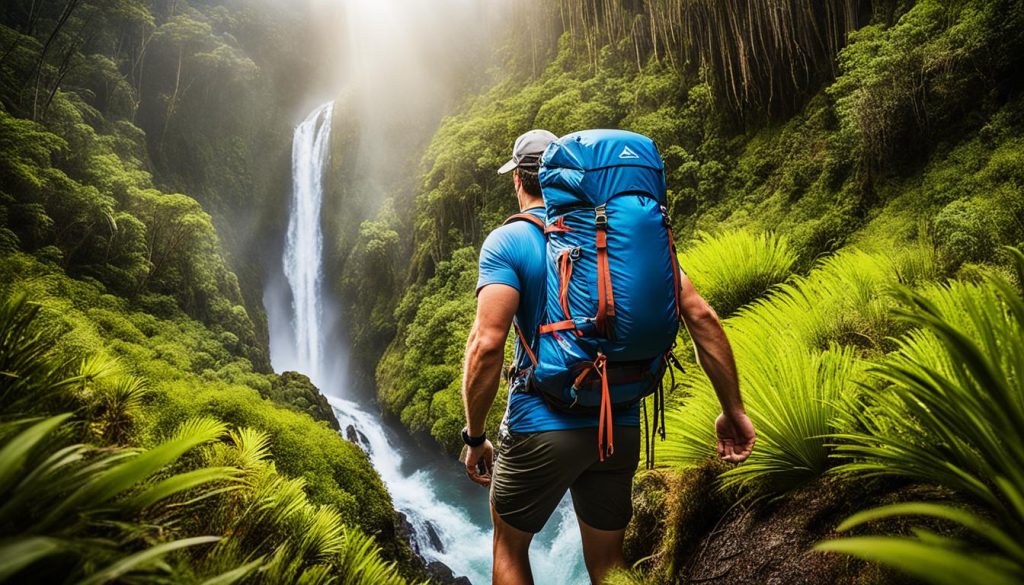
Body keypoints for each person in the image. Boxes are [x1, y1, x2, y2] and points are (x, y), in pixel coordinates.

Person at [460, 129, 756, 585]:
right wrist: (732, 411)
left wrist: (476, 436)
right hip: (618, 420)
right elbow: (701, 317)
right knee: (610, 563)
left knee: (509, 546)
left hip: (543, 420)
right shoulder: (615, 236)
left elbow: (486, 346)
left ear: (518, 179)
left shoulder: (508, 243)